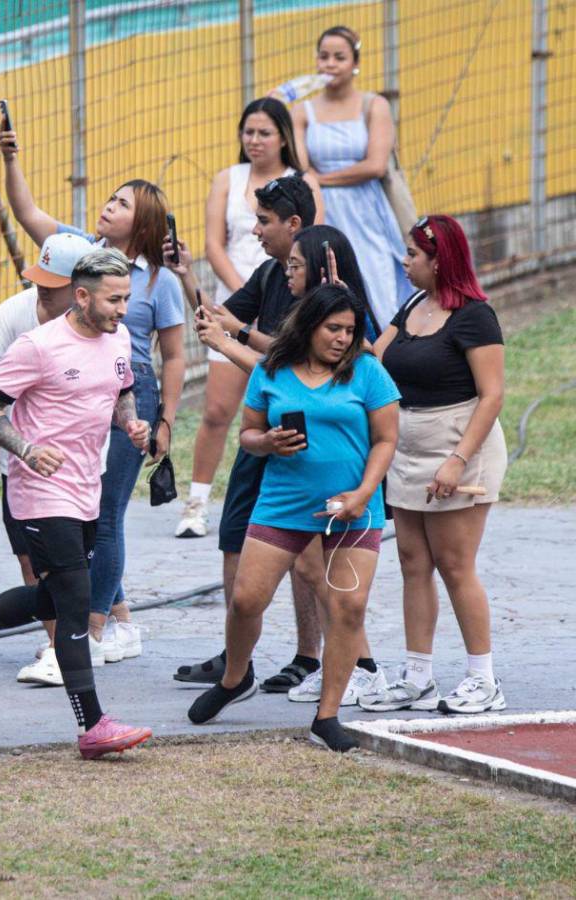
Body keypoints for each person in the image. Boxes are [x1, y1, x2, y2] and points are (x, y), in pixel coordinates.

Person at [0, 248, 153, 759]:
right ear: (81, 295)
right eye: (114, 299)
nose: (123, 309)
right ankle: (93, 726)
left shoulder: (118, 336)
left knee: (57, 597)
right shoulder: (38, 346)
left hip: (86, 486)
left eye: (126, 299)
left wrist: (130, 423)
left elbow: (123, 390)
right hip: (39, 491)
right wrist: (27, 449)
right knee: (73, 602)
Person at [0, 126, 186, 663]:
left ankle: (93, 630)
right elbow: (26, 209)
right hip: (76, 387)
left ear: (144, 222)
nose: (108, 205)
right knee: (79, 510)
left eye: (122, 203)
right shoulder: (80, 250)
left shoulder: (158, 282)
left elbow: (173, 356)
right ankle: (117, 617)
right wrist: (12, 158)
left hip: (130, 392)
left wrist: (165, 420)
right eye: (110, 197)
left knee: (106, 514)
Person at [187, 284, 400, 752]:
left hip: (353, 508)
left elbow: (386, 440)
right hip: (283, 501)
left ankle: (327, 716)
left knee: (348, 608)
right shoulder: (271, 370)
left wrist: (363, 494)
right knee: (246, 600)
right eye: (333, 328)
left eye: (350, 330)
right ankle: (235, 678)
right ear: (308, 326)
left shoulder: (368, 373)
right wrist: (266, 444)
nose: (343, 338)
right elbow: (247, 433)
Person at [169, 175, 331, 695]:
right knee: (235, 537)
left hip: (300, 436)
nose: (255, 230)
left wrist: (232, 336)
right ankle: (235, 659)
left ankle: (310, 656)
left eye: (263, 221)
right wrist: (183, 274)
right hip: (259, 430)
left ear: (295, 225)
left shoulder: (326, 287)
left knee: (307, 554)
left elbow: (284, 362)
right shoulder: (268, 274)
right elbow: (220, 321)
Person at [362, 215, 508, 715]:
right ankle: (417, 676)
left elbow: (492, 397)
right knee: (412, 563)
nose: (404, 262)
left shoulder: (474, 316)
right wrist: (337, 299)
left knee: (454, 564)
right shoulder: (411, 305)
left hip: (459, 447)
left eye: (412, 255)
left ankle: (482, 678)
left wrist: (458, 460)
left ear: (439, 260)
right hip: (408, 447)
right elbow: (375, 356)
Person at [0, 231, 95, 687]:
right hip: (25, 465)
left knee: (74, 571)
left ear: (80, 288)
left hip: (86, 467)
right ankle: (60, 650)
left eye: (53, 285)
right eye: (40, 281)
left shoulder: (100, 326)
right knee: (38, 566)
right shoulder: (17, 312)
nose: (42, 292)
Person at [177, 97, 324, 539]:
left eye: (264, 132)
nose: (254, 140)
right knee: (219, 410)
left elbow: (314, 242)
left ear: (284, 137)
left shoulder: (303, 183)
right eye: (248, 131)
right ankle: (197, 501)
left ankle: (298, 497)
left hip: (281, 306)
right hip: (237, 298)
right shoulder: (229, 178)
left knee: (283, 408)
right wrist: (252, 288)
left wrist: (277, 285)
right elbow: (214, 244)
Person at [291, 25, 411, 328]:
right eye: (324, 56)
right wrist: (314, 181)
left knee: (378, 284)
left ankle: (387, 356)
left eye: (339, 57)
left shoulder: (374, 105)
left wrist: (321, 179)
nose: (330, 64)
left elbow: (375, 165)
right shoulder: (302, 112)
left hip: (367, 211)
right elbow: (302, 168)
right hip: (323, 210)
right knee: (328, 285)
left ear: (355, 63)